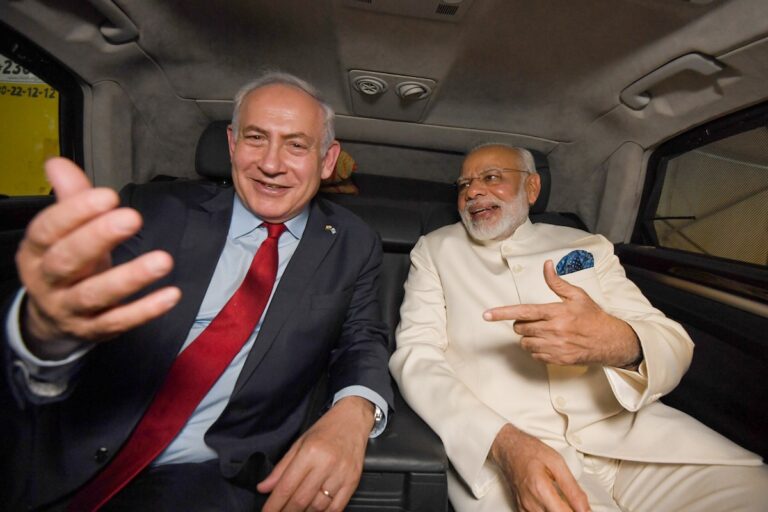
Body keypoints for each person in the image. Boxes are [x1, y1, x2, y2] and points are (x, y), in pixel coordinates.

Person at [1, 71, 393, 512]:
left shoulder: (352, 243)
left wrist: (356, 411)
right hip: (70, 436)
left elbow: (362, 339)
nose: (271, 163)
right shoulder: (152, 208)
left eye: (296, 145)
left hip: (209, 471)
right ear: (232, 144)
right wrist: (47, 332)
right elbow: (80, 305)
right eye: (255, 138)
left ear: (327, 159)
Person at [389, 143, 768, 512]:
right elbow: (416, 358)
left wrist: (618, 342)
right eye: (464, 184)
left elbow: (671, 340)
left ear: (531, 187)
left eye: (491, 177)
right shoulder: (435, 250)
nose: (473, 191)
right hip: (516, 447)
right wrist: (502, 443)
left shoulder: (587, 245)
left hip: (642, 441)